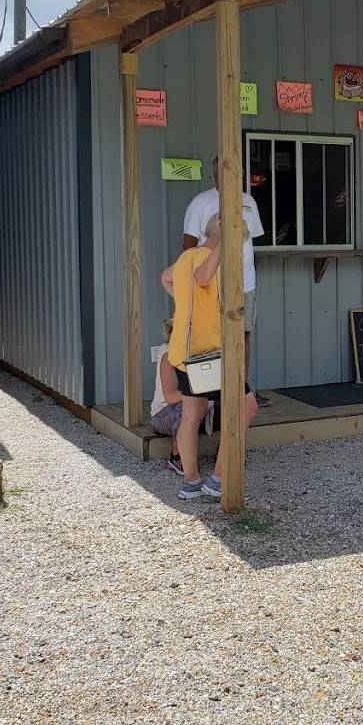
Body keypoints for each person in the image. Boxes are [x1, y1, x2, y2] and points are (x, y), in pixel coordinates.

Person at [163, 214, 258, 501]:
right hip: (210, 355)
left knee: (192, 414)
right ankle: (219, 479)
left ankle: (191, 481)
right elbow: (203, 278)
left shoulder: (186, 257)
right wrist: (224, 243)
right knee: (247, 407)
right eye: (238, 238)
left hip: (183, 352)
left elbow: (165, 278)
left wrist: (187, 304)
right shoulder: (211, 258)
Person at [182, 156, 265, 382]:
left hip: (246, 283)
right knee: (212, 336)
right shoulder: (201, 203)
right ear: (215, 175)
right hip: (212, 282)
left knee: (243, 334)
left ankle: (242, 387)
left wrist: (251, 275)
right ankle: (213, 391)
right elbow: (188, 247)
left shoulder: (248, 201)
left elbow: (250, 242)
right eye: (226, 171)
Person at [150, 317, 184, 475]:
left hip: (184, 407)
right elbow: (171, 397)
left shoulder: (189, 350)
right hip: (162, 415)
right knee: (189, 408)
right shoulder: (169, 353)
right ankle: (176, 456)